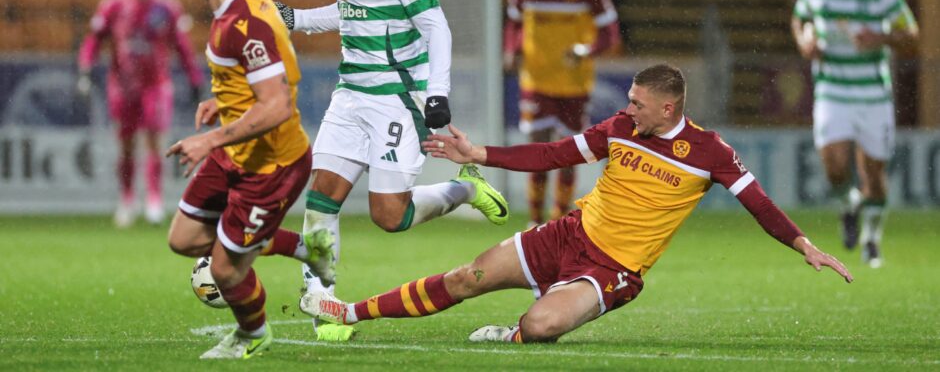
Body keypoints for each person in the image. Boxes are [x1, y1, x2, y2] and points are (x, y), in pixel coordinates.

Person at [298, 63, 853, 343]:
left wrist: (803, 244)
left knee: (540, 328)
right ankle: (345, 313)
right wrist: (478, 152)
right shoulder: (620, 129)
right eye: (629, 101)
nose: (627, 108)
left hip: (613, 269)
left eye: (638, 103)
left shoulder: (709, 152)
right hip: (568, 233)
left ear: (668, 107)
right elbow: (553, 154)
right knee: (469, 277)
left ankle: (511, 335)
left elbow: (759, 203)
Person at [274, 0, 509, 340]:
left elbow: (434, 24)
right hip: (351, 93)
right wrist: (294, 18)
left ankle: (464, 189)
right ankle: (325, 305)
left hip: (396, 98)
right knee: (322, 198)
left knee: (389, 216)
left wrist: (436, 94)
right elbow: (351, 10)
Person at [166, 0, 330, 359]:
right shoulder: (251, 4)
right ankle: (302, 246)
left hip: (272, 166)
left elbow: (276, 105)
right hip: (237, 153)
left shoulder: (243, 22)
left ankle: (254, 334)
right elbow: (263, 79)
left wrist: (209, 140)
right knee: (184, 239)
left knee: (224, 268)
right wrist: (223, 101)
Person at [791, 0, 919, 268]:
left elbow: (910, 33)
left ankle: (872, 241)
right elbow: (800, 19)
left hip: (873, 94)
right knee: (834, 167)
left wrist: (880, 38)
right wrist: (805, 41)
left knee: (874, 176)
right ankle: (849, 204)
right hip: (832, 90)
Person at [504, 0, 621, 227]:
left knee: (568, 152)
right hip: (536, 79)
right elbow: (514, 24)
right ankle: (533, 221)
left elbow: (610, 33)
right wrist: (511, 49)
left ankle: (557, 219)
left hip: (573, 83)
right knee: (538, 148)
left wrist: (584, 51)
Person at [77, 0, 203, 227]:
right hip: (122, 86)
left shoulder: (167, 7)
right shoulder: (114, 5)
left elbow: (182, 46)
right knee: (126, 146)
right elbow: (93, 41)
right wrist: (85, 68)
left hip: (156, 86)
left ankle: (155, 201)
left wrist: (194, 78)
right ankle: (127, 199)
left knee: (155, 142)